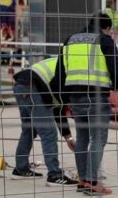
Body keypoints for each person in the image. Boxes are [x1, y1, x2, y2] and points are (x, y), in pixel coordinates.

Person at [57, 12, 118, 196]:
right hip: (96, 96)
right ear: (107, 27)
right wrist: (116, 85)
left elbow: (61, 70)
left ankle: (83, 180)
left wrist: (64, 96)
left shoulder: (70, 40)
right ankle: (93, 182)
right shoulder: (105, 40)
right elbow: (115, 67)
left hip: (75, 97)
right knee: (98, 139)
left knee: (83, 138)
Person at [11, 56, 77, 186]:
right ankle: (54, 175)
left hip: (21, 84)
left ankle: (21, 169)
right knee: (49, 132)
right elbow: (59, 107)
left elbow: (58, 110)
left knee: (29, 129)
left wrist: (68, 138)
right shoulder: (72, 71)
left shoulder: (66, 61)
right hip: (33, 87)